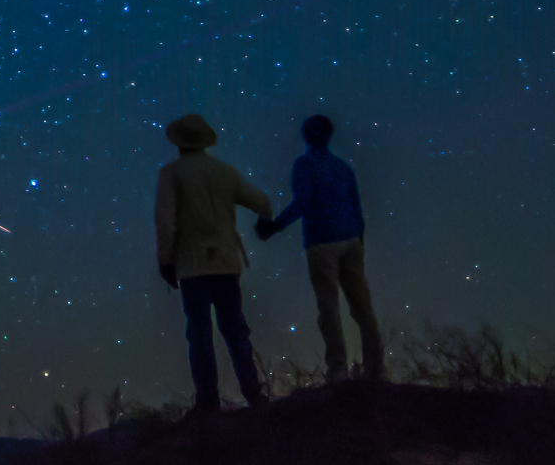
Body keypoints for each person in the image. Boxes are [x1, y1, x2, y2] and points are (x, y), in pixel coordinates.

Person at [153, 112, 275, 413]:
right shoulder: (225, 172)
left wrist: (165, 260)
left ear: (179, 142)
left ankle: (207, 401)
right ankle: (253, 394)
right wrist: (264, 223)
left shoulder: (172, 173)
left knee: (199, 333)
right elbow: (261, 201)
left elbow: (165, 221)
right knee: (235, 329)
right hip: (225, 261)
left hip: (192, 264)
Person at [257, 114, 384, 381]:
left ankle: (337, 369)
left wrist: (273, 227)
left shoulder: (305, 165)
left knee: (329, 307)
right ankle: (376, 369)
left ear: (305, 136)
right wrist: (358, 239)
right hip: (351, 239)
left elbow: (302, 204)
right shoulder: (343, 167)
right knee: (362, 306)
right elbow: (358, 210)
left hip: (322, 242)